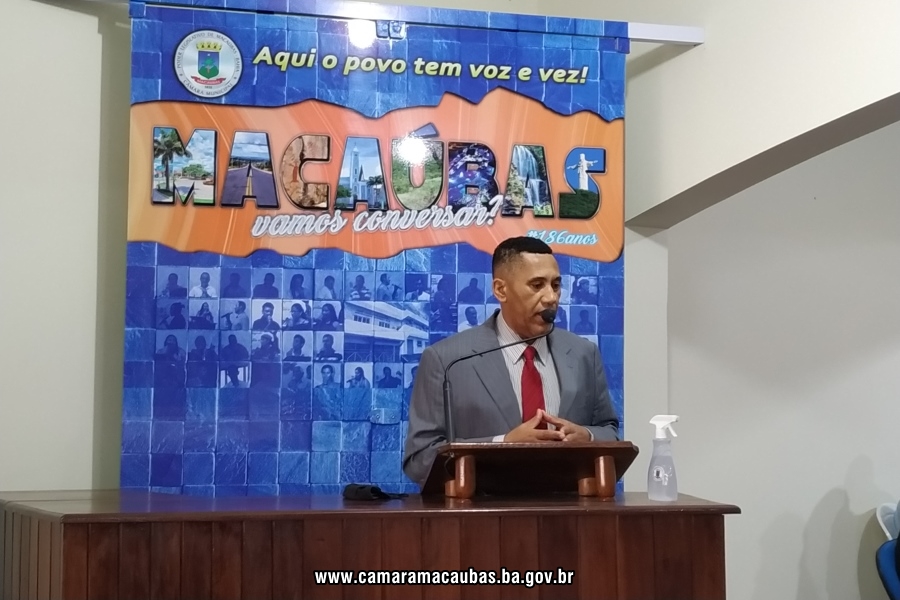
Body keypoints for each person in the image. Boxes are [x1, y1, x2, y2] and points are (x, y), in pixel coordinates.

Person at [403, 236, 619, 487]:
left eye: (556, 285)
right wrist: (503, 444)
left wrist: (587, 436)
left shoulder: (583, 353)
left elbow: (610, 432)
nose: (551, 297)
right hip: (481, 509)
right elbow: (420, 459)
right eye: (537, 285)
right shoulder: (447, 360)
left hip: (569, 508)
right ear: (500, 290)